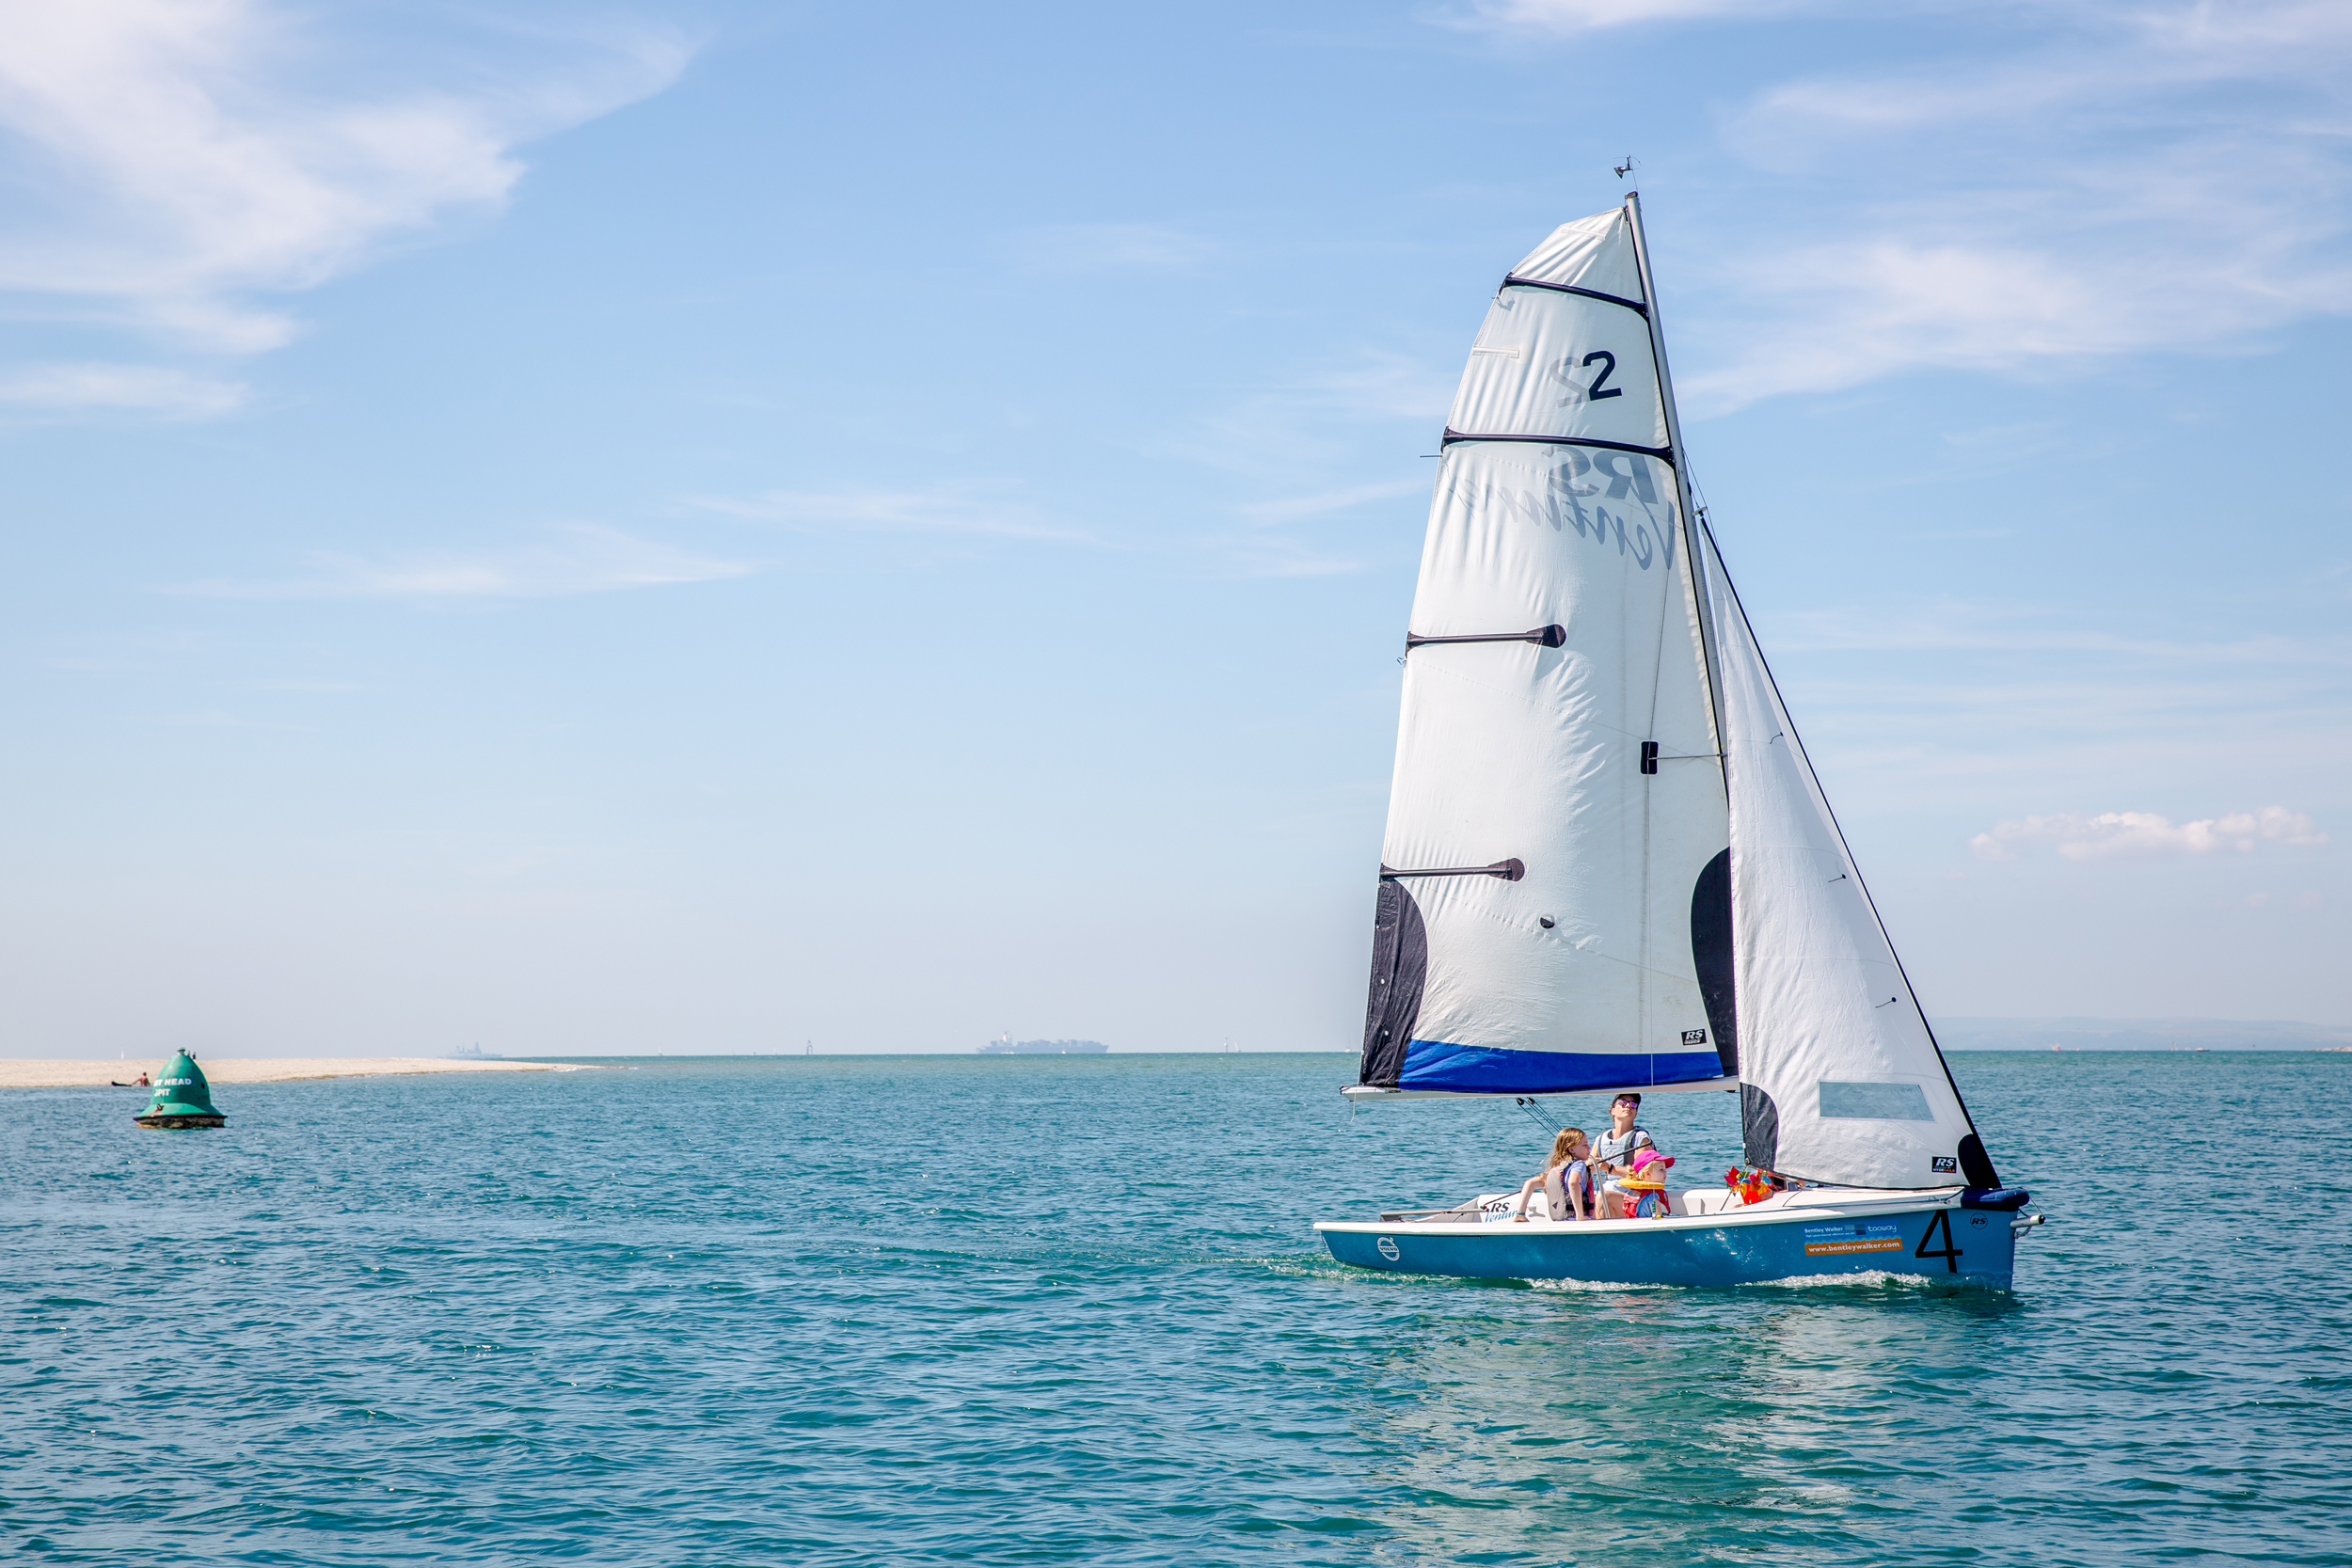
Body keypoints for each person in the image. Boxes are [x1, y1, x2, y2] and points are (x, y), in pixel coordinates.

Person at [1588, 1093, 1657, 1219]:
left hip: (1634, 1197)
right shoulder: (1600, 1139)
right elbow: (1587, 1169)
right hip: (1607, 1192)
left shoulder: (1641, 1138)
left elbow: (1643, 1174)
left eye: (1633, 1104)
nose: (1629, 1106)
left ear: (1636, 1113)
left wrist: (1610, 1168)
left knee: (1604, 1198)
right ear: (1613, 1110)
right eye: (1623, 1103)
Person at [1509, 1128, 1596, 1223]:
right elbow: (1573, 1182)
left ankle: (1519, 1215)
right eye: (1585, 1145)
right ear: (1571, 1149)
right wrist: (1580, 1216)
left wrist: (1520, 1214)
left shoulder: (1557, 1169)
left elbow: (1530, 1183)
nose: (1589, 1148)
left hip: (1560, 1222)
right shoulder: (1579, 1164)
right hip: (1576, 1221)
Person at [1619, 1147, 1677, 1217]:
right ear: (1648, 1174)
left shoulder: (1631, 1193)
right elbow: (1658, 1217)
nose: (1665, 1172)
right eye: (1661, 1169)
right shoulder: (1653, 1196)